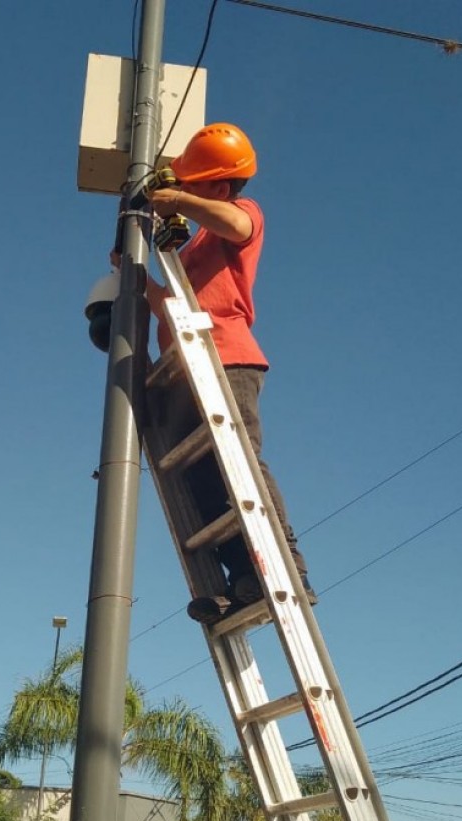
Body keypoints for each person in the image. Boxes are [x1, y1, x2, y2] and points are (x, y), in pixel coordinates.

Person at [144, 122, 318, 623]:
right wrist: (133, 277)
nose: (184, 194)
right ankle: (241, 581)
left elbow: (237, 226)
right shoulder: (192, 248)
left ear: (219, 187)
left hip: (225, 355)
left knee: (238, 461)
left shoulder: (242, 214)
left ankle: (287, 566)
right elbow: (170, 307)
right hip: (186, 365)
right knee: (200, 482)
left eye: (193, 185)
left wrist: (176, 198)